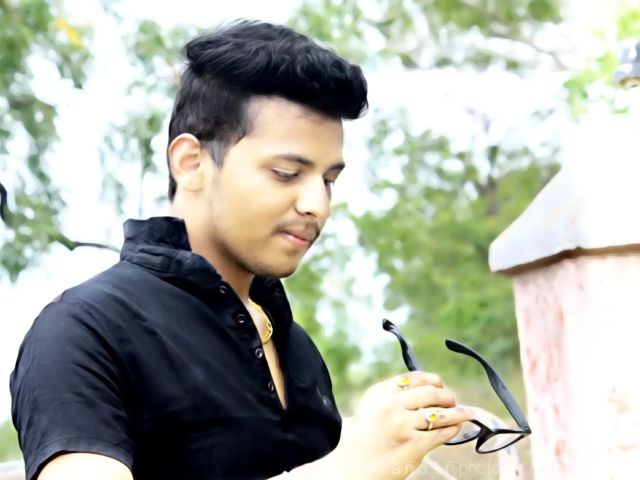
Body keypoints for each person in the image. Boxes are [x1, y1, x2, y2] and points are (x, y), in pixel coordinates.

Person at [10, 20, 472, 480]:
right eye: (287, 174)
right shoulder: (84, 331)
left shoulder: (297, 347)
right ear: (191, 163)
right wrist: (347, 467)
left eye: (329, 180)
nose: (317, 205)